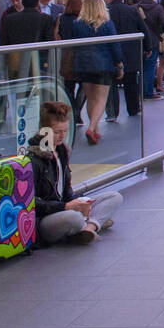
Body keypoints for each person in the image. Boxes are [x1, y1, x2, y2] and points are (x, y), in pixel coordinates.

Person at [28, 101, 121, 244]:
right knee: (74, 218)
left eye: (65, 131)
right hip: (46, 218)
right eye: (57, 132)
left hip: (64, 207)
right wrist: (65, 207)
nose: (62, 136)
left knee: (114, 197)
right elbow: (31, 204)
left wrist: (80, 203)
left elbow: (66, 191)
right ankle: (93, 224)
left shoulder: (61, 150)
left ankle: (87, 229)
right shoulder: (34, 159)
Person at [70, 0, 122, 145]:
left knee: (91, 98)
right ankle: (91, 127)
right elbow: (115, 46)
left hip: (83, 64)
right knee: (101, 99)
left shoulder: (77, 24)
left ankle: (95, 130)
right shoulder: (106, 24)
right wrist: (119, 63)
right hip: (103, 64)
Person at [104, 0, 152, 120]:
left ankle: (112, 113)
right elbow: (143, 29)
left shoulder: (105, 12)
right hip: (131, 52)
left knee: (112, 83)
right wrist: (148, 47)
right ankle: (133, 108)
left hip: (110, 53)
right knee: (131, 82)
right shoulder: (132, 10)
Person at [136, 0, 164, 98]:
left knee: (139, 67)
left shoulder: (136, 7)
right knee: (150, 67)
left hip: (137, 40)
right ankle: (147, 92)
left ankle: (139, 91)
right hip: (153, 40)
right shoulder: (157, 8)